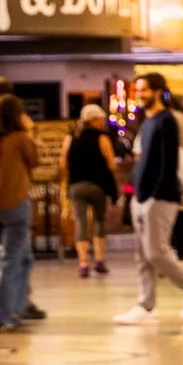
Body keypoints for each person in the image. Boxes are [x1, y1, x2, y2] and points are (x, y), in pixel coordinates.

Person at [118, 76, 183, 325]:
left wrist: (155, 193)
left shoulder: (167, 120)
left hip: (160, 197)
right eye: (138, 90)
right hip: (142, 196)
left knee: (156, 252)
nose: (140, 94)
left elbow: (167, 162)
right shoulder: (148, 121)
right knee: (143, 255)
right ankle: (146, 304)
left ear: (157, 92)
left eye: (144, 90)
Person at [0, 89, 43, 332]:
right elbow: (35, 160)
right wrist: (30, 131)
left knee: (23, 258)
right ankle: (1, 316)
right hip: (15, 203)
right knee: (11, 260)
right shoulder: (20, 139)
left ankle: (15, 308)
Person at [64, 101, 119, 280]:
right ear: (94, 120)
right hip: (97, 186)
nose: (103, 122)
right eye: (101, 119)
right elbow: (111, 162)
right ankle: (100, 260)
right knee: (99, 221)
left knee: (80, 222)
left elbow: (62, 161)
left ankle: (83, 263)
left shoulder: (71, 136)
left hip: (76, 185)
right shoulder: (102, 137)